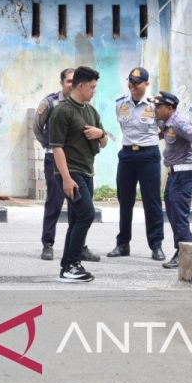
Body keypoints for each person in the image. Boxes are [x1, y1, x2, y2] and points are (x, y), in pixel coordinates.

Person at [34, 68, 100, 264]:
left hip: (84, 168)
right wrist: (48, 147)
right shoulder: (55, 104)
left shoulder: (88, 108)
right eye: (69, 81)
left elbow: (101, 138)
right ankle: (50, 245)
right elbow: (39, 129)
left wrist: (101, 135)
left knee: (78, 214)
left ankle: (75, 254)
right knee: (58, 204)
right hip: (61, 163)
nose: (71, 84)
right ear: (65, 83)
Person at [49, 65, 108, 283]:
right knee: (86, 214)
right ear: (80, 85)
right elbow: (57, 147)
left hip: (87, 171)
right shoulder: (62, 110)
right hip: (71, 172)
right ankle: (71, 264)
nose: (94, 91)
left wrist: (100, 133)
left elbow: (104, 141)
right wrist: (65, 178)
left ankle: (68, 265)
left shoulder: (91, 111)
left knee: (76, 219)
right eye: (91, 87)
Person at [108, 67, 166, 261]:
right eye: (130, 82)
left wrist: (148, 140)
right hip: (126, 155)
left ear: (147, 84)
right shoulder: (120, 103)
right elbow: (123, 127)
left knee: (152, 201)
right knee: (125, 200)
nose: (132, 86)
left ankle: (156, 245)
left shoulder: (154, 105)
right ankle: (122, 243)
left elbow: (164, 129)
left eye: (137, 83)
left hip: (148, 154)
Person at [156, 91, 192, 270]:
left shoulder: (179, 122)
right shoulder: (167, 121)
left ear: (169, 108)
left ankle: (185, 254)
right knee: (172, 213)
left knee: (179, 216)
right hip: (174, 175)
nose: (156, 109)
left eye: (159, 107)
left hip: (184, 174)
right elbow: (162, 128)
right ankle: (184, 250)